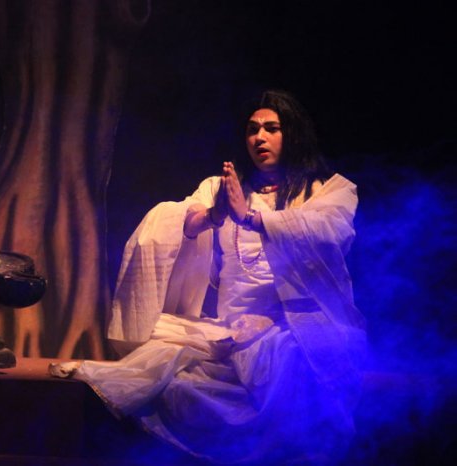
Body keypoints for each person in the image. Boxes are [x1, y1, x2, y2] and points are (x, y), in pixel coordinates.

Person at [50, 90, 366, 464]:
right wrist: (214, 215)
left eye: (271, 128)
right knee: (164, 356)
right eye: (252, 129)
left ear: (293, 134)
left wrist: (252, 218)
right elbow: (178, 221)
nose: (259, 137)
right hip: (227, 330)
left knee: (290, 370)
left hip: (292, 327)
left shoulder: (327, 191)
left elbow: (329, 231)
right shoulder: (223, 188)